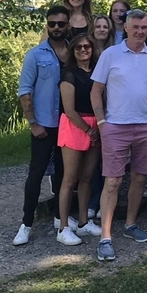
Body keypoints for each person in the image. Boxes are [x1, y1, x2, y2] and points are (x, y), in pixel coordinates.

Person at [90, 9, 147, 261]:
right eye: (136, 27)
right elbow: (96, 91)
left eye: (144, 27)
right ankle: (105, 237)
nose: (140, 32)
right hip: (116, 126)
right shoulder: (111, 54)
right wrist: (102, 122)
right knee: (112, 181)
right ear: (126, 28)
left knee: (140, 178)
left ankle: (130, 224)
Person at [13, 5, 71, 246]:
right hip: (44, 125)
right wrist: (33, 123)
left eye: (61, 24)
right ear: (47, 25)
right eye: (52, 24)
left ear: (68, 25)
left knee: (63, 173)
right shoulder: (35, 55)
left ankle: (60, 217)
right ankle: (26, 223)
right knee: (36, 174)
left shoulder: (73, 52)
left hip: (67, 125)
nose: (56, 28)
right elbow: (24, 91)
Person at [54, 34, 104, 246]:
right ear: (73, 51)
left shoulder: (98, 72)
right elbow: (69, 110)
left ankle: (84, 221)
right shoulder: (69, 75)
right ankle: (63, 226)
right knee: (70, 178)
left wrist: (97, 127)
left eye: (87, 46)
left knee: (87, 176)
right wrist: (88, 130)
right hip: (75, 126)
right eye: (79, 47)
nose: (83, 50)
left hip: (95, 125)